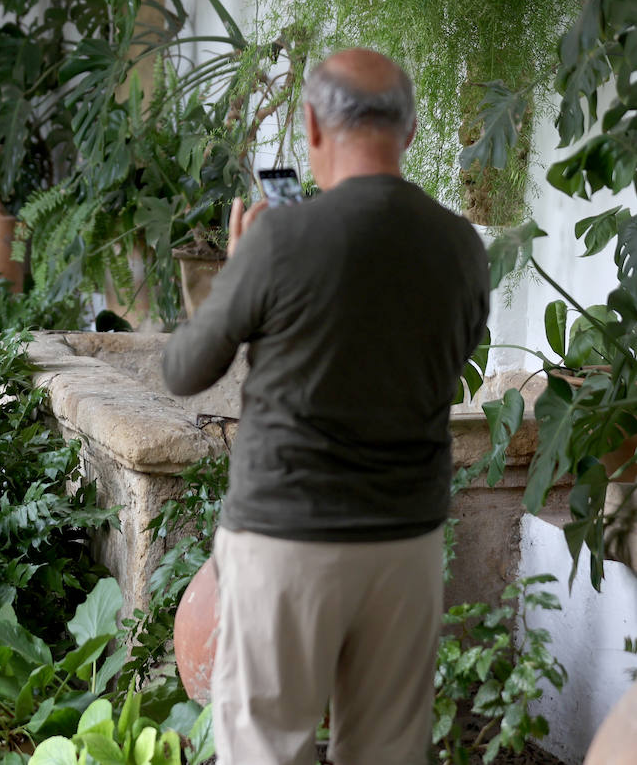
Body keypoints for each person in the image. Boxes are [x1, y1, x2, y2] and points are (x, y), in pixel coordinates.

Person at [162, 49, 489, 764]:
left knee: (268, 748)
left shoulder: (280, 239)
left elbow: (185, 370)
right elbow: (448, 362)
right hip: (405, 541)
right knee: (388, 753)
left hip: (287, 540)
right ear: (407, 132)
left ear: (311, 125)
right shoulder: (461, 246)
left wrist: (237, 275)